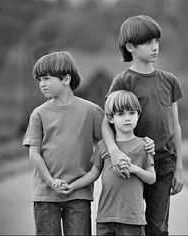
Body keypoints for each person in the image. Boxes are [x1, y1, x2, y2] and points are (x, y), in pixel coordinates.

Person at [101, 15, 184, 236]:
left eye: (156, 41)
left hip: (165, 163)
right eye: (148, 43)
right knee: (131, 226)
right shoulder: (123, 81)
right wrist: (115, 152)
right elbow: (105, 123)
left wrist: (180, 167)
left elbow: (175, 126)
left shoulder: (169, 81)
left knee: (158, 228)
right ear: (130, 46)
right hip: (133, 162)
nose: (155, 47)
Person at [23, 51, 105, 235]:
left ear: (66, 78)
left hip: (79, 195)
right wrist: (52, 183)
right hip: (46, 195)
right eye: (39, 80)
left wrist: (144, 143)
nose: (41, 84)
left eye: (46, 78)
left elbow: (108, 144)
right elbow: (34, 154)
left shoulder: (91, 111)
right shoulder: (38, 114)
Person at [60, 90, 156, 236]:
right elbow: (93, 174)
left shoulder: (144, 145)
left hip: (132, 220)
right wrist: (71, 186)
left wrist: (134, 169)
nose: (127, 118)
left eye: (132, 113)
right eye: (121, 114)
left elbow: (151, 178)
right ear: (110, 119)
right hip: (105, 218)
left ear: (138, 116)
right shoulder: (103, 146)